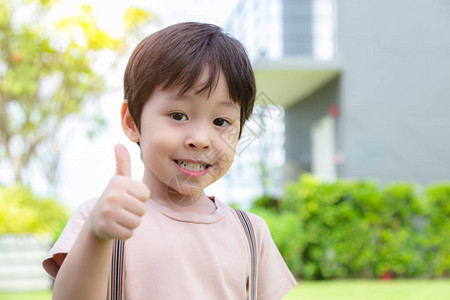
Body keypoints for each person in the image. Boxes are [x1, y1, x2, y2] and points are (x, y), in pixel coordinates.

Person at [43, 22, 297, 299]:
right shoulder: (101, 218)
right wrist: (96, 235)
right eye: (178, 115)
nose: (201, 139)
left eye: (221, 121)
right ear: (132, 122)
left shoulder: (251, 233)